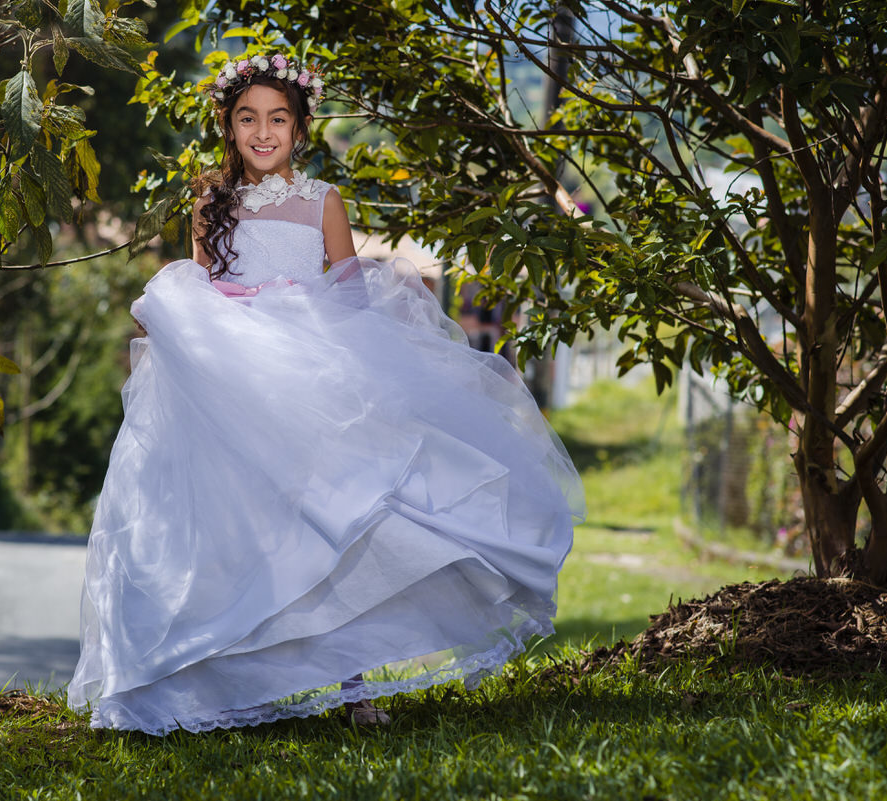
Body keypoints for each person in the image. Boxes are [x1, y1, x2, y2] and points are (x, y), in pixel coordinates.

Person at [68, 53, 584, 735]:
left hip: (303, 373)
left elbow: (347, 294)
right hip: (229, 379)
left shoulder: (321, 202)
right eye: (247, 118)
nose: (262, 132)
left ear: (301, 127)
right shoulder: (208, 200)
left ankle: (352, 683)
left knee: (338, 522)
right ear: (227, 125)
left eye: (277, 119)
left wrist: (302, 317)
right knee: (226, 526)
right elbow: (200, 288)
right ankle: (206, 681)